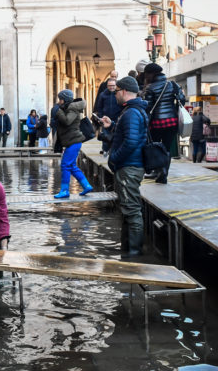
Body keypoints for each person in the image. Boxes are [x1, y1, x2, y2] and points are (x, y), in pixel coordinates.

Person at [99, 76, 148, 258]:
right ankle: (127, 253)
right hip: (130, 165)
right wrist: (112, 126)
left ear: (125, 92)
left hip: (129, 167)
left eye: (117, 91)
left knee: (132, 211)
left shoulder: (131, 113)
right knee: (128, 210)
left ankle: (134, 256)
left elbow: (131, 142)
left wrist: (114, 159)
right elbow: (128, 135)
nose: (115, 94)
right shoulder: (131, 111)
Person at [142, 63, 186, 182]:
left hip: (156, 123)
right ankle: (164, 173)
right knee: (166, 148)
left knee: (156, 147)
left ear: (151, 74)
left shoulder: (150, 88)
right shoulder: (172, 84)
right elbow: (182, 99)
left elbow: (147, 106)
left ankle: (158, 171)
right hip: (172, 122)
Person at [54, 89, 93, 198]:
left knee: (65, 165)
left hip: (74, 141)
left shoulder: (72, 109)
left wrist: (58, 111)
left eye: (60, 99)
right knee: (72, 166)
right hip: (72, 142)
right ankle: (86, 185)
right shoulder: (69, 108)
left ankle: (65, 190)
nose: (59, 101)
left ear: (64, 99)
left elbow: (67, 121)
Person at [94, 78, 121, 155]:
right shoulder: (102, 94)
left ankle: (113, 151)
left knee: (116, 136)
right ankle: (105, 151)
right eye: (109, 85)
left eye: (113, 85)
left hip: (116, 119)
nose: (111, 87)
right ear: (107, 86)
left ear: (116, 85)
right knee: (105, 136)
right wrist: (101, 116)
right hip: (105, 119)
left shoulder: (118, 94)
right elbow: (99, 107)